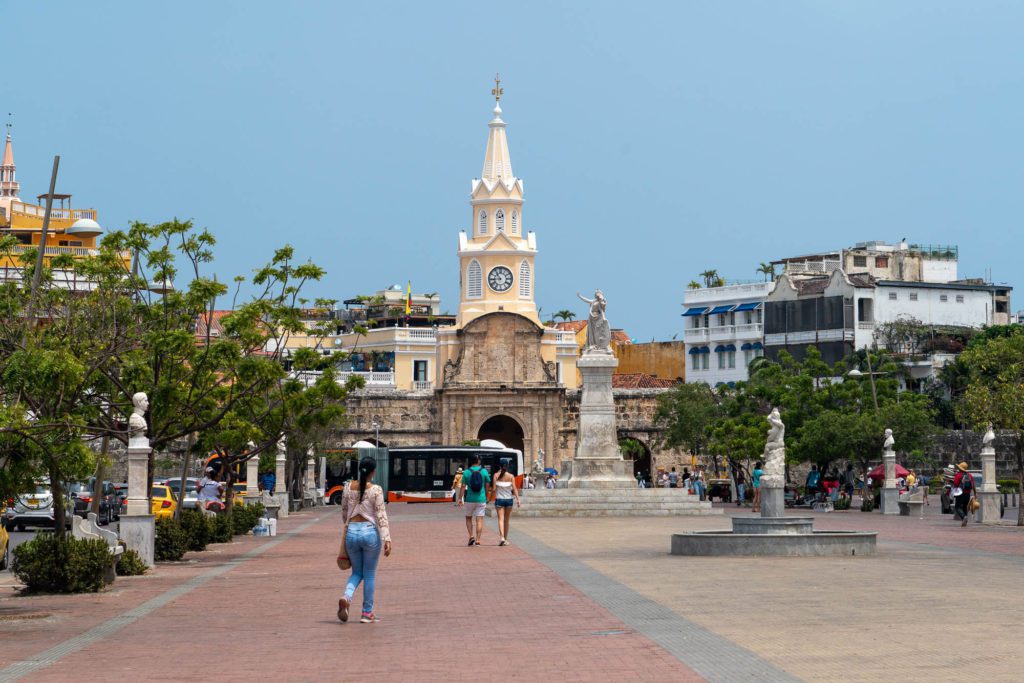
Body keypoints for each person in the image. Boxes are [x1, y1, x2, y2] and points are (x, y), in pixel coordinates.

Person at [337, 456, 392, 624]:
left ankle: (346, 596)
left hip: (351, 533)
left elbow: (344, 511)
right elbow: (381, 514)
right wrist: (387, 539)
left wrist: (350, 525)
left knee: (357, 572)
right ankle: (367, 612)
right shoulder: (376, 490)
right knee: (368, 574)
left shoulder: (347, 487)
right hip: (369, 534)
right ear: (373, 471)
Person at [458, 453, 492, 546]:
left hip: (469, 499)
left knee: (468, 518)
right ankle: (478, 540)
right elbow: (488, 484)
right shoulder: (484, 471)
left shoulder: (466, 472)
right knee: (479, 519)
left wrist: (460, 498)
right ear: (478, 461)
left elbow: (463, 486)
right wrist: (486, 495)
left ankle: (471, 536)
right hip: (481, 499)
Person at [490, 458, 521, 546]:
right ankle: (506, 539)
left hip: (499, 499)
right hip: (509, 500)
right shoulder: (511, 476)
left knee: (500, 519)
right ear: (507, 466)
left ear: (499, 466)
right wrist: (518, 500)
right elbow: (514, 489)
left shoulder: (496, 475)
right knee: (506, 520)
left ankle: (502, 538)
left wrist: (489, 499)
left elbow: (494, 489)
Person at [951, 462, 976, 527]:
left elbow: (956, 484)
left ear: (960, 468)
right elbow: (973, 486)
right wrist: (975, 494)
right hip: (967, 494)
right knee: (965, 507)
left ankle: (963, 517)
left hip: (960, 493)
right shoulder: (969, 475)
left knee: (957, 507)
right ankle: (965, 520)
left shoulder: (958, 475)